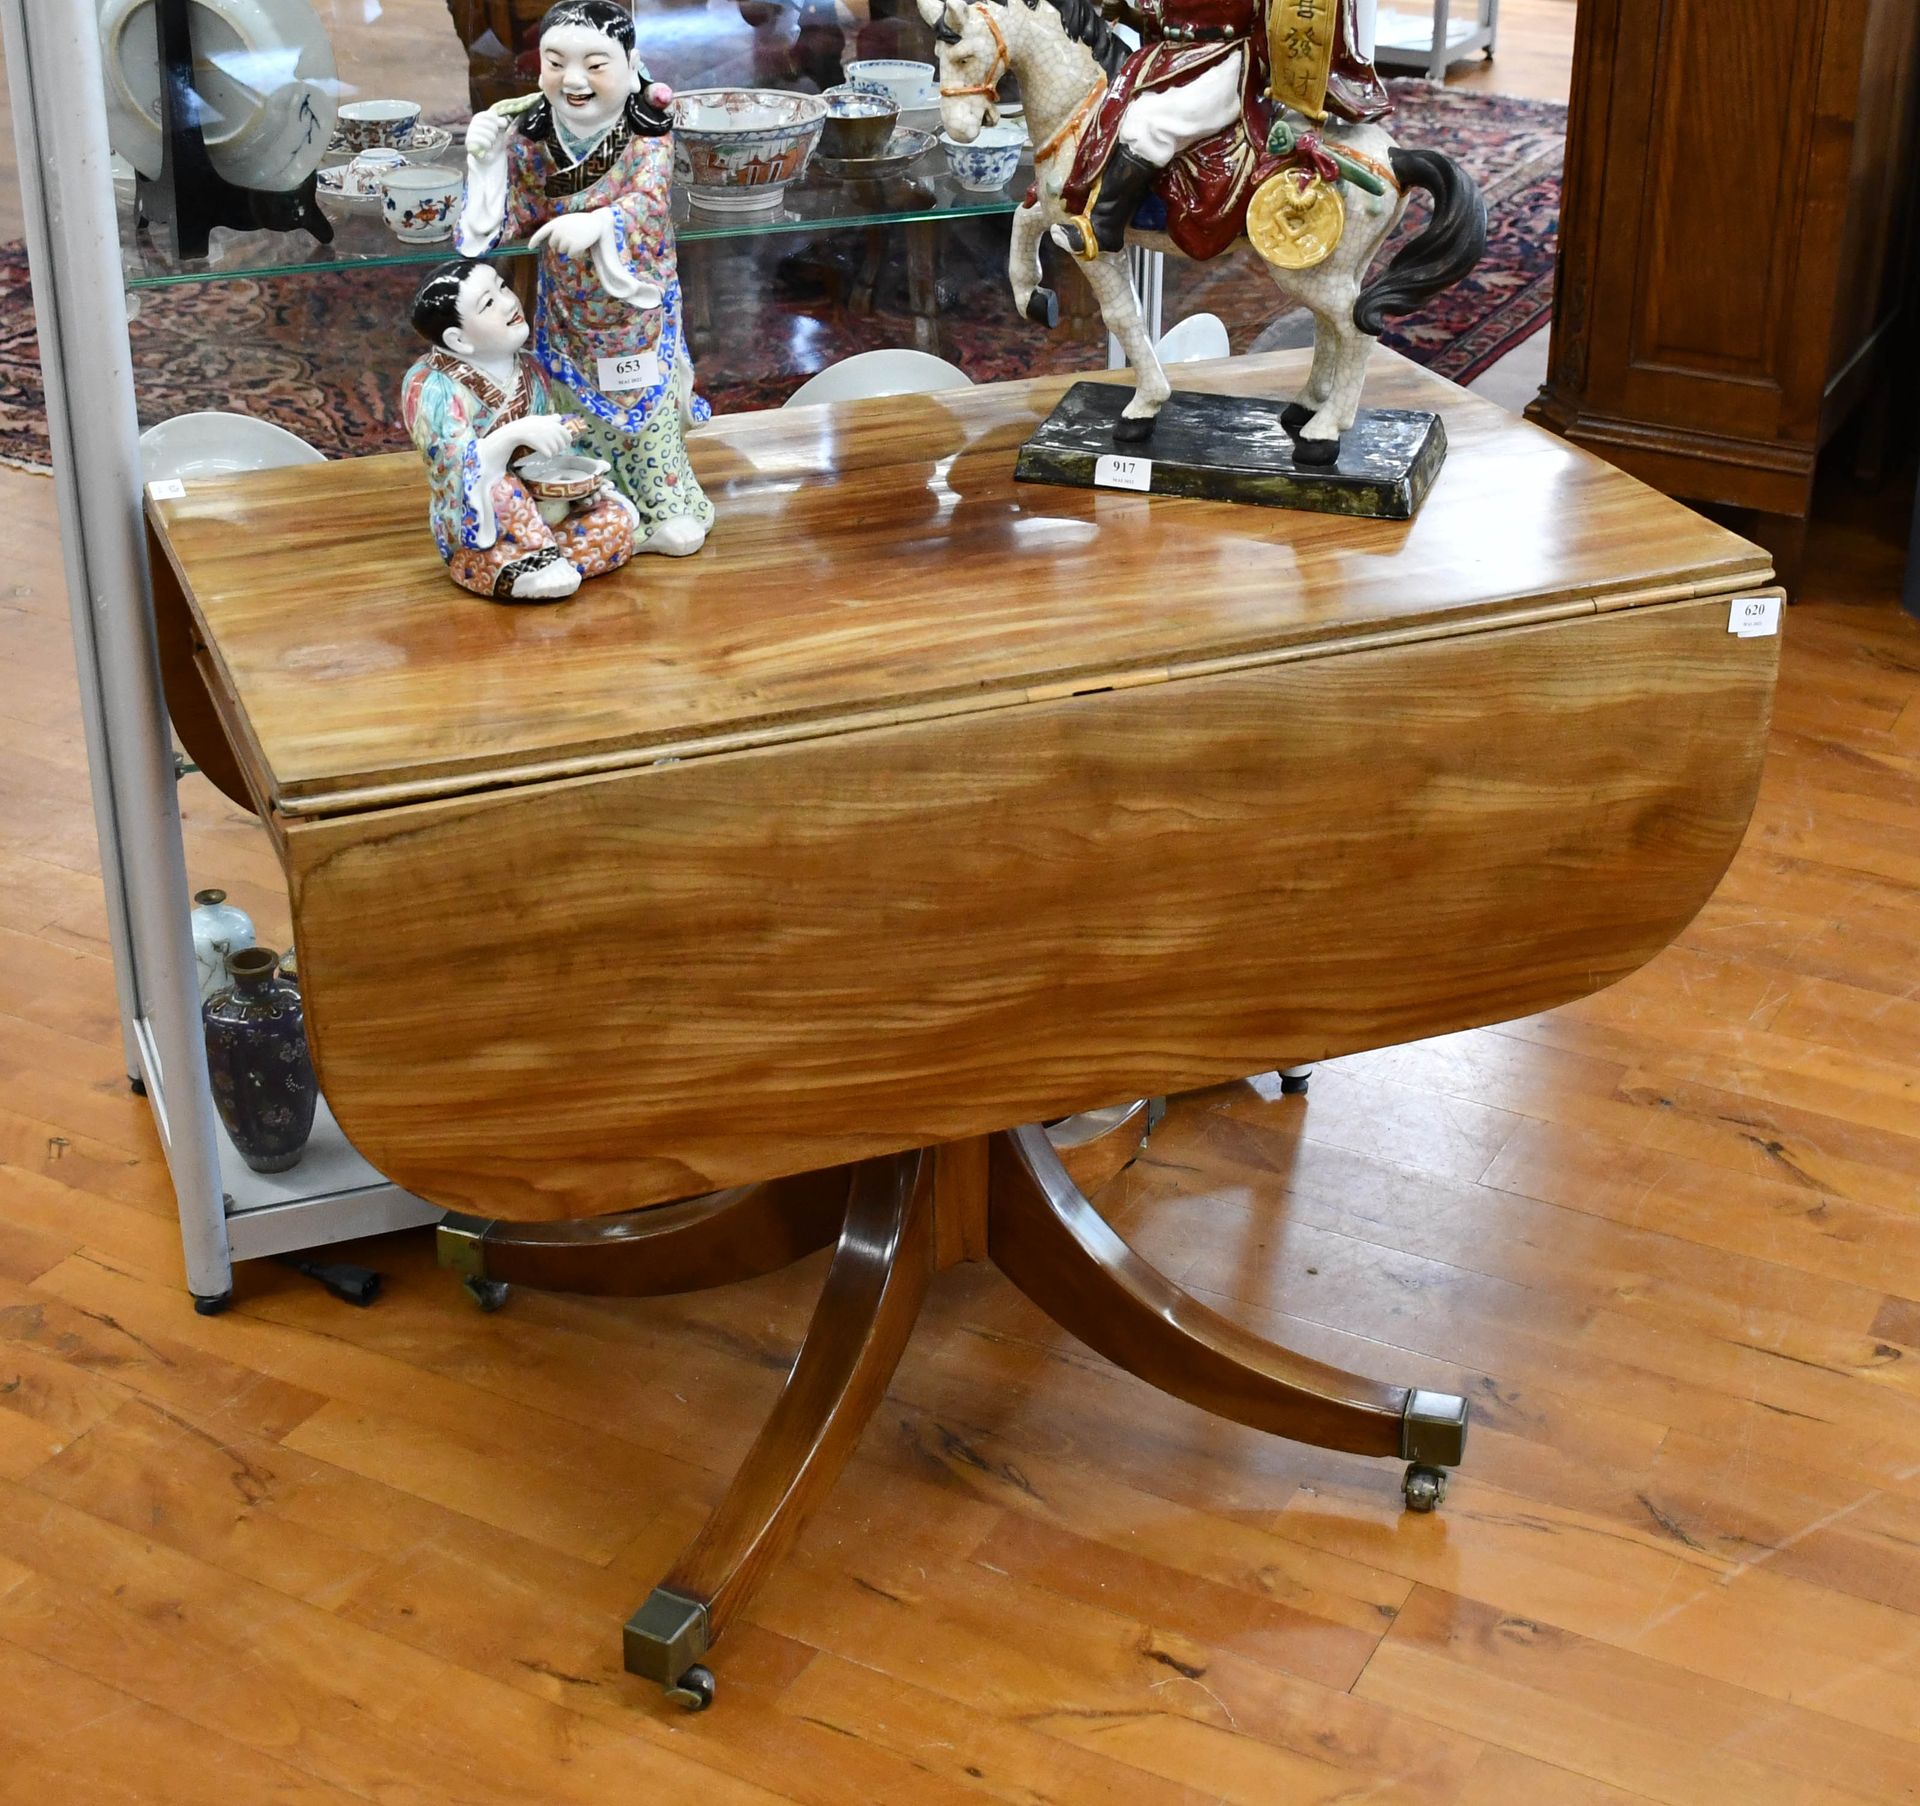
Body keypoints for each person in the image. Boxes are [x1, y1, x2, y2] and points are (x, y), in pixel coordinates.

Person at [459, 0, 714, 557]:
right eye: (556, 62)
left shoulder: (649, 134)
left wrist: (602, 222)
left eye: (595, 65)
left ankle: (663, 502)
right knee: (571, 413)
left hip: (634, 309)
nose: (573, 81)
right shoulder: (532, 139)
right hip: (567, 310)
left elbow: (649, 203)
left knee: (643, 407)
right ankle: (588, 506)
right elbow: (509, 224)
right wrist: (487, 164)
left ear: (632, 66)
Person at [1055, 0, 1389, 260]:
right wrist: (1131, 14)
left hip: (1224, 62)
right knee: (1109, 107)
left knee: (1147, 124)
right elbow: (1170, 17)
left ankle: (1101, 226)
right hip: (1169, 57)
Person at [401, 258, 637, 602]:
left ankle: (518, 566)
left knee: (616, 519)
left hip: (543, 509)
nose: (510, 302)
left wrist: (578, 485)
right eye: (489, 304)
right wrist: (514, 435)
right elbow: (454, 469)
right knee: (504, 489)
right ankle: (499, 560)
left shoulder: (530, 369)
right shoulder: (432, 385)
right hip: (486, 519)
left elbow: (553, 449)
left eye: (503, 287)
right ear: (459, 339)